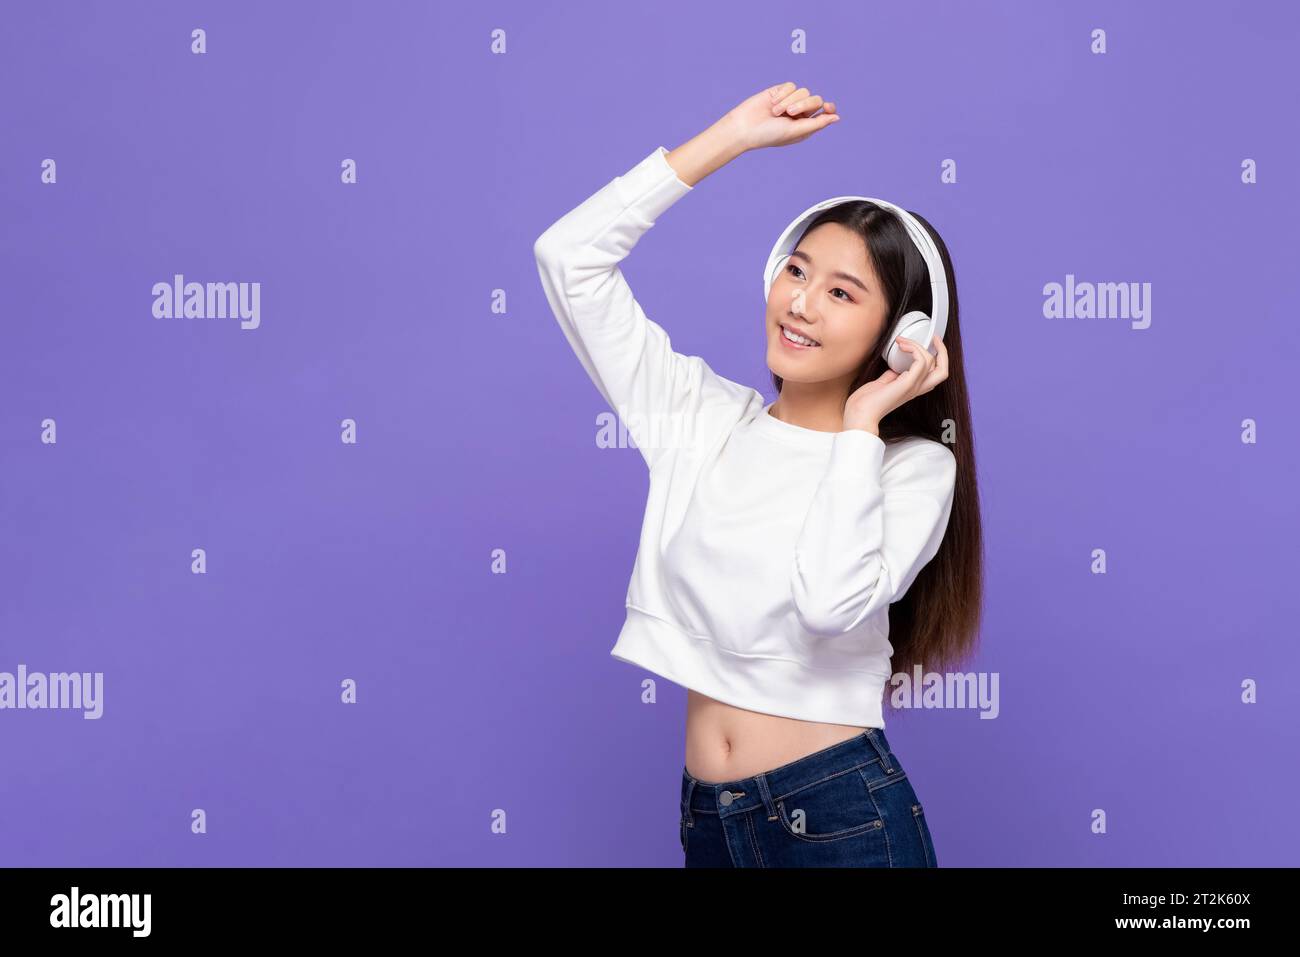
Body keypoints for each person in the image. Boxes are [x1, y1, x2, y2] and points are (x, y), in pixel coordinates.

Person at [534, 82, 984, 867]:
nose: (801, 303)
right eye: (797, 271)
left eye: (841, 292)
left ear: (902, 336)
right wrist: (730, 138)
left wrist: (858, 426)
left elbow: (826, 604)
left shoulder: (913, 467)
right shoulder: (701, 419)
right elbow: (568, 260)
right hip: (707, 818)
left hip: (844, 814)